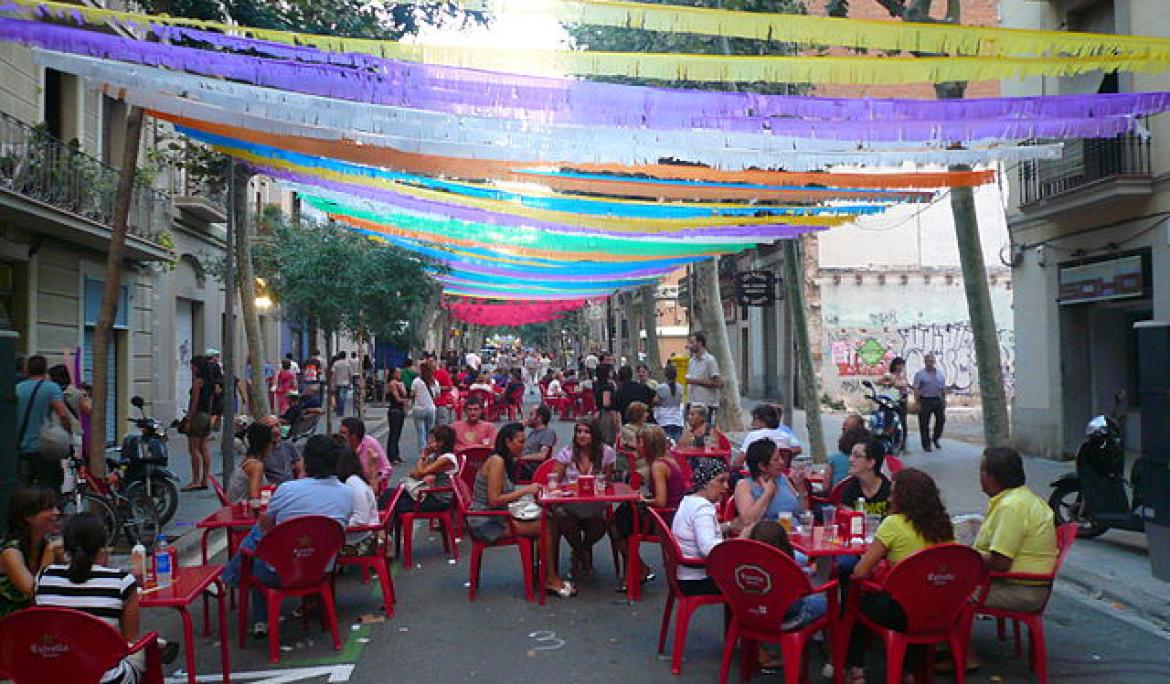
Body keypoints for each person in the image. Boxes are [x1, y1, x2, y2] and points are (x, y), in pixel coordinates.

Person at [222, 435, 353, 637]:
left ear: (307, 461)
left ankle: (232, 582)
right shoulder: (347, 493)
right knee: (263, 541)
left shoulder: (287, 489)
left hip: (280, 572)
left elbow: (267, 528)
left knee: (258, 540)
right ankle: (240, 592)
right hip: (321, 568)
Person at [845, 468, 955, 683]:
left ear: (903, 498)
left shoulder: (894, 524)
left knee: (855, 598)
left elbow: (860, 573)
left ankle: (855, 668)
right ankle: (909, 670)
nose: (888, 497)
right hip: (941, 607)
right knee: (916, 596)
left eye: (892, 493)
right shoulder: (944, 526)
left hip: (904, 612)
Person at [34, 512, 146, 683]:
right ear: (103, 545)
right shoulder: (121, 582)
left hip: (52, 675)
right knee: (141, 649)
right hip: (105, 678)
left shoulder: (43, 578)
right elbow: (130, 641)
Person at [466, 423, 575, 597]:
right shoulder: (497, 462)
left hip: (497, 516)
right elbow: (494, 500)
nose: (523, 446)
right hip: (486, 521)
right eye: (520, 441)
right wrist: (525, 490)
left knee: (549, 518)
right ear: (508, 442)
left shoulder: (504, 460)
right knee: (547, 525)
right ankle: (550, 578)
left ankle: (544, 573)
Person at [974, 447, 1058, 612]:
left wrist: (967, 557)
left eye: (982, 471)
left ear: (992, 477)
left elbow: (1001, 562)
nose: (979, 476)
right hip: (1025, 585)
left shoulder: (1011, 507)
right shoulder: (1023, 497)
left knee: (947, 589)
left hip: (1020, 591)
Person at [609, 425, 685, 591]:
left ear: (649, 445)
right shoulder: (669, 458)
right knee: (622, 513)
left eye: (640, 442)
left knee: (615, 525)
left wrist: (643, 500)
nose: (637, 445)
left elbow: (661, 501)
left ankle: (639, 569)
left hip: (664, 519)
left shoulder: (658, 466)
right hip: (675, 514)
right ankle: (638, 568)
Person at [552, 418, 617, 578]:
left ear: (594, 435)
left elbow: (607, 483)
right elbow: (555, 482)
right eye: (579, 431)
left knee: (601, 524)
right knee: (561, 515)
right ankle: (583, 555)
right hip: (570, 505)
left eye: (586, 432)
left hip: (594, 505)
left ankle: (578, 551)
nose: (582, 435)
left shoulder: (606, 452)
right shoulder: (566, 453)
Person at [670, 459, 742, 595]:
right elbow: (708, 548)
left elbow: (699, 530)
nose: (726, 486)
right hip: (697, 580)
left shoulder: (689, 501)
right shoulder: (703, 508)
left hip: (684, 575)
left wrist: (729, 526)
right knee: (747, 583)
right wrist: (737, 544)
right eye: (721, 481)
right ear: (705, 483)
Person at [747, 520, 827, 632]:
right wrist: (809, 571)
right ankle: (816, 641)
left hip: (751, 614)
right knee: (824, 603)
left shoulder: (746, 565)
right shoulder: (786, 566)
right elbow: (803, 586)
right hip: (787, 618)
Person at [0, 487, 60, 618]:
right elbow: (35, 594)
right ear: (28, 516)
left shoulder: (46, 545)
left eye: (55, 507)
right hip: (11, 626)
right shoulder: (11, 553)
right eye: (49, 509)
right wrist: (49, 553)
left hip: (40, 624)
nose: (56, 513)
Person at [15, 355, 73, 490]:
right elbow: (63, 415)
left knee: (23, 492)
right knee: (49, 489)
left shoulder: (17, 389)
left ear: (27, 370)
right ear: (45, 370)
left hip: (21, 449)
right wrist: (68, 435)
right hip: (45, 449)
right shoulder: (51, 388)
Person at [733, 438, 807, 525]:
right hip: (769, 534)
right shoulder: (745, 485)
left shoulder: (782, 478)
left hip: (794, 530)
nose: (782, 462)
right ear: (762, 466)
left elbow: (803, 512)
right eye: (776, 460)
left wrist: (800, 489)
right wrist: (768, 493)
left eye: (781, 457)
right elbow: (748, 521)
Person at [391, 425, 459, 515]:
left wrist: (423, 455)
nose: (429, 442)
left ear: (441, 442)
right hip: (432, 494)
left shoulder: (447, 458)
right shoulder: (436, 456)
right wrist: (425, 460)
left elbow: (422, 472)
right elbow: (415, 474)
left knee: (399, 505)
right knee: (392, 494)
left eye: (432, 439)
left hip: (440, 499)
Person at [336, 444, 379, 556]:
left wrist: (337, 526)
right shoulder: (354, 480)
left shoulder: (353, 483)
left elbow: (360, 519)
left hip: (361, 540)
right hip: (363, 534)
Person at [734, 403, 802, 471]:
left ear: (758, 418)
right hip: (780, 474)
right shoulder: (786, 437)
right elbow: (797, 449)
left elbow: (739, 462)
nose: (752, 423)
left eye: (754, 420)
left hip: (755, 476)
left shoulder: (753, 436)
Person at [182, 354, 214, 491]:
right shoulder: (209, 382)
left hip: (198, 417)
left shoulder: (198, 382)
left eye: (193, 366)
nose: (192, 369)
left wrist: (189, 419)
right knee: (204, 448)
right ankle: (204, 479)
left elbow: (193, 402)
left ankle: (195, 480)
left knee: (193, 448)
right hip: (207, 415)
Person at [839, 438, 892, 517]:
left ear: (870, 463)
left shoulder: (890, 491)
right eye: (851, 455)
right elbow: (848, 520)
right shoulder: (849, 490)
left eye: (857, 456)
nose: (850, 459)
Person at [226, 422, 272, 504]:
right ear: (266, 444)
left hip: (234, 507)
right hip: (243, 512)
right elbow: (254, 499)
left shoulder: (246, 460)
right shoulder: (256, 466)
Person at [340, 417, 391, 490]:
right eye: (340, 432)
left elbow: (387, 469)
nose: (340, 436)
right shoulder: (339, 445)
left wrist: (375, 479)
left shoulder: (371, 443)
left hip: (368, 486)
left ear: (354, 435)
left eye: (344, 433)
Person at [684, 331, 721, 425]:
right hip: (692, 402)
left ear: (700, 343)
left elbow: (717, 383)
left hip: (705, 405)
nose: (689, 346)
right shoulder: (691, 360)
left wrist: (695, 381)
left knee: (704, 433)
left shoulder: (710, 360)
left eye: (692, 342)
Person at [912, 353, 946, 452]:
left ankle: (935, 438)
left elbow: (943, 388)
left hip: (937, 399)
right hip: (925, 400)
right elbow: (916, 389)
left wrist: (944, 400)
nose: (930, 363)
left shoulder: (940, 373)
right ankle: (926, 444)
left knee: (941, 420)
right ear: (925, 362)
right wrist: (917, 402)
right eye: (928, 361)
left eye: (932, 361)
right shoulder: (920, 374)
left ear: (934, 362)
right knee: (924, 423)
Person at [258, 415, 303, 485]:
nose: (275, 430)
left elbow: (301, 470)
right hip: (272, 489)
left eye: (277, 425)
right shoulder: (260, 450)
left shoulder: (289, 445)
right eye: (270, 428)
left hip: (291, 487)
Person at [878, 357, 910, 453]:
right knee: (887, 422)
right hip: (888, 402)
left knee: (902, 424)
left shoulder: (903, 377)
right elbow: (878, 382)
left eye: (902, 365)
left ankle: (902, 445)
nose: (900, 367)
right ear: (894, 365)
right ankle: (886, 443)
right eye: (899, 365)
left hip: (900, 402)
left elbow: (904, 389)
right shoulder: (889, 375)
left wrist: (905, 398)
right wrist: (890, 383)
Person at [517, 405, 557, 481]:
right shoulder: (533, 432)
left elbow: (542, 455)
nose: (529, 418)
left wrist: (520, 458)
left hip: (531, 467)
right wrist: (519, 428)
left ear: (540, 418)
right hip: (522, 464)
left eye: (531, 415)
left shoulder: (547, 432)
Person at [410, 362, 439, 459]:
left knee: (420, 432)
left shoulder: (416, 381)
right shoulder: (434, 381)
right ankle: (431, 452)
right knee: (430, 432)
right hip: (431, 408)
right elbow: (437, 395)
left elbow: (412, 394)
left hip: (418, 408)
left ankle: (423, 453)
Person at [829, 424, 871, 489]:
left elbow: (826, 486)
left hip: (836, 498)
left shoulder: (833, 459)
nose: (851, 460)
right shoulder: (870, 464)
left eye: (858, 456)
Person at [653, 362, 685, 442]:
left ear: (665, 374)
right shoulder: (680, 387)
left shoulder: (661, 387)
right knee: (676, 444)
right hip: (678, 420)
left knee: (666, 444)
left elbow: (655, 401)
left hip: (665, 420)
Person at [385, 367, 408, 465]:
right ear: (393, 374)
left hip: (400, 410)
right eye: (398, 372)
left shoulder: (400, 383)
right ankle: (392, 456)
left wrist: (402, 388)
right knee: (393, 434)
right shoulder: (392, 384)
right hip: (394, 410)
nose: (400, 374)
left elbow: (404, 394)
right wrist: (406, 401)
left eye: (400, 372)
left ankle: (396, 455)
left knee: (398, 433)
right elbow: (398, 399)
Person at [593, 364, 618, 445]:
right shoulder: (607, 386)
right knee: (607, 439)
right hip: (606, 415)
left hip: (598, 411)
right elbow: (606, 403)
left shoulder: (596, 384)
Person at [330, 352, 352, 418]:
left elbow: (333, 374)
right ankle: (341, 411)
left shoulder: (336, 363)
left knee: (337, 397)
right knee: (343, 397)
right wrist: (350, 382)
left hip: (337, 383)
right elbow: (350, 373)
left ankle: (339, 410)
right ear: (345, 356)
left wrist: (332, 382)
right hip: (345, 382)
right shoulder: (348, 364)